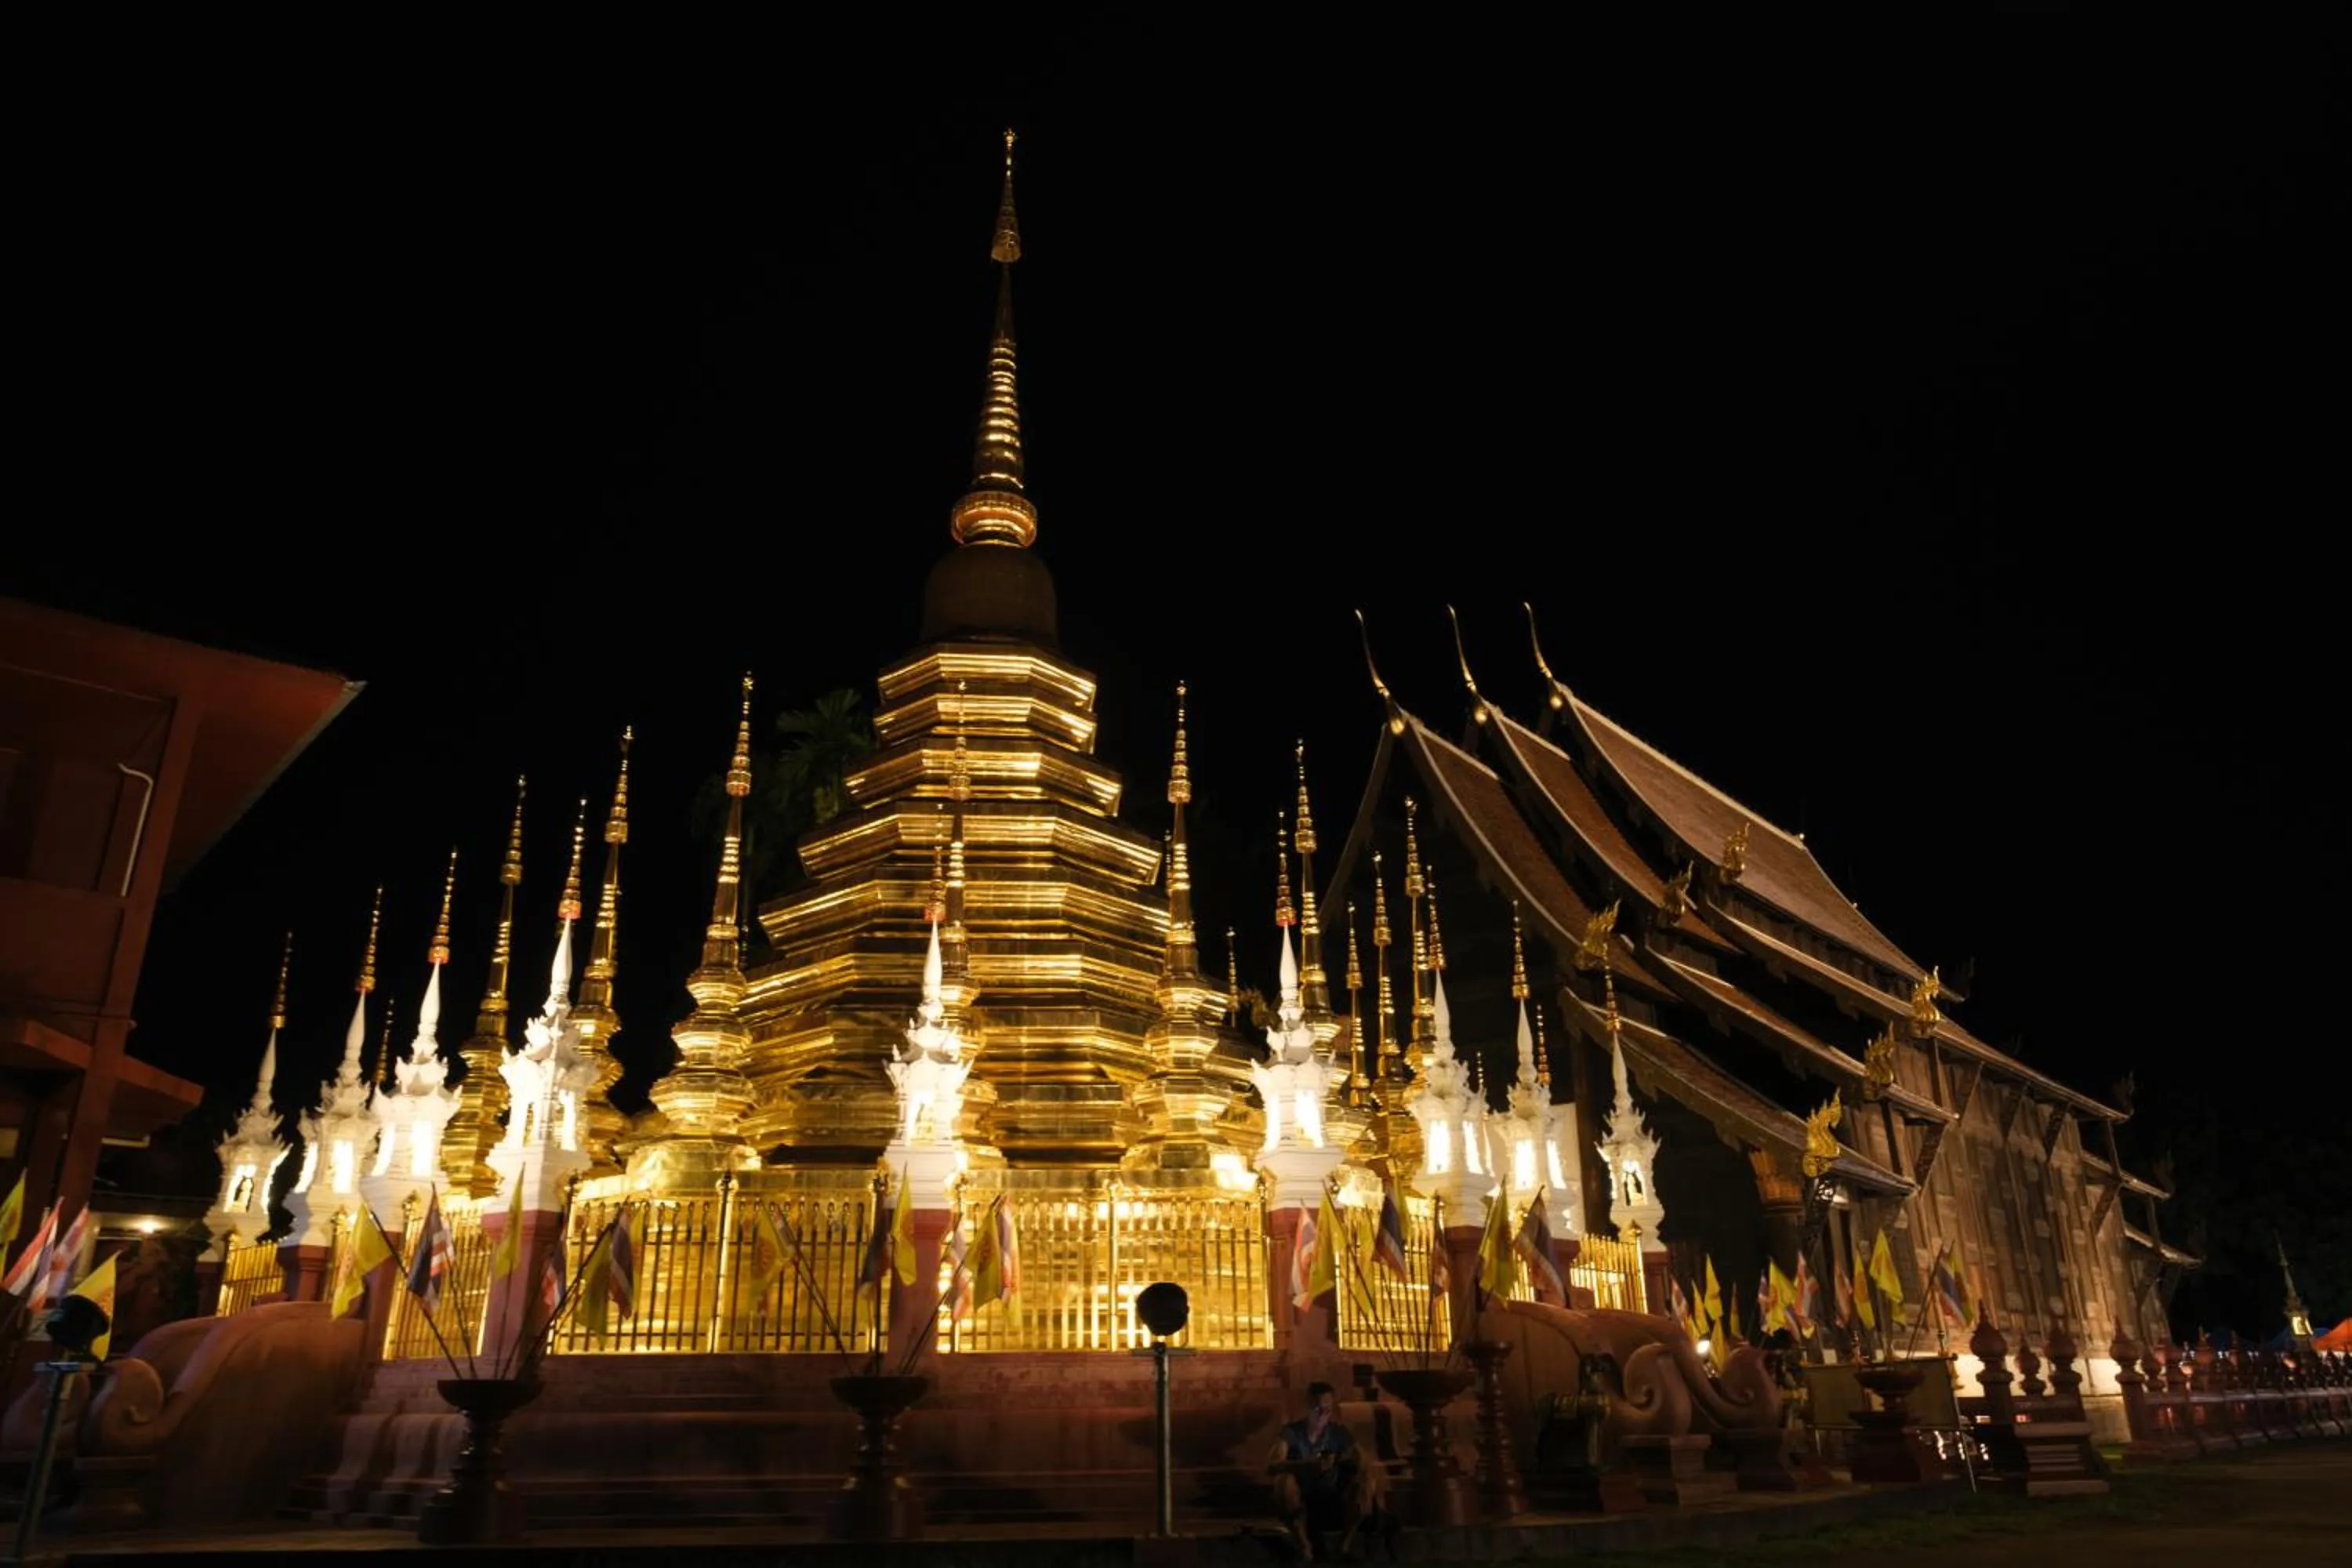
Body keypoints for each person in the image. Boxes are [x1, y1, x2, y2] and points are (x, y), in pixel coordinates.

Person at [1267, 1381, 1385, 1559]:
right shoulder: (1292, 1432)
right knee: (1284, 1481)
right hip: (1301, 1495)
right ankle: (1304, 1545)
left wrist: (1364, 1479)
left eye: (1327, 1410)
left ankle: (1343, 1546)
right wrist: (1306, 1466)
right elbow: (1272, 1465)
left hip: (1331, 1494)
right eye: (1318, 1409)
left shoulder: (1337, 1432)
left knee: (1365, 1479)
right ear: (1308, 1407)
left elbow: (1363, 1460)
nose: (1322, 1415)